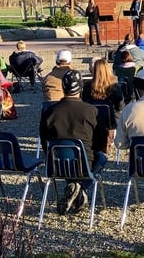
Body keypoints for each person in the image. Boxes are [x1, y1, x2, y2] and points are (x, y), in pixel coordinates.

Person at [40, 69, 106, 215]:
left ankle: (74, 186)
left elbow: (44, 142)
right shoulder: (91, 111)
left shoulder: (49, 112)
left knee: (67, 157)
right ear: (81, 88)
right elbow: (101, 142)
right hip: (84, 164)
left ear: (63, 88)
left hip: (56, 163)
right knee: (102, 157)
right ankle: (80, 186)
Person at [83, 59, 124, 154]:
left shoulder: (87, 87)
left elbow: (84, 104)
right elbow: (120, 107)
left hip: (91, 125)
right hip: (111, 125)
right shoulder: (114, 87)